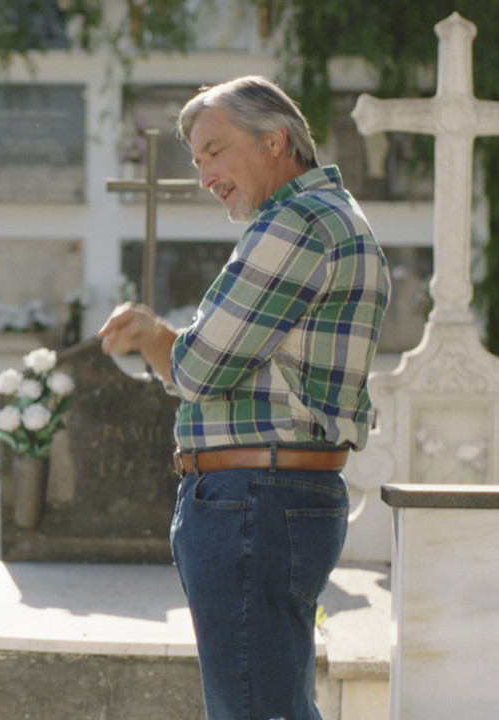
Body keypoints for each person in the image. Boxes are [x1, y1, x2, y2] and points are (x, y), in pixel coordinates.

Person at [97, 76, 390, 720]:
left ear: (274, 140)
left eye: (215, 152)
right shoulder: (331, 216)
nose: (205, 176)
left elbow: (200, 368)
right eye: (197, 161)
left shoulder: (298, 223)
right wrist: (160, 341)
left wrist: (152, 337)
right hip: (276, 495)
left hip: (254, 501)